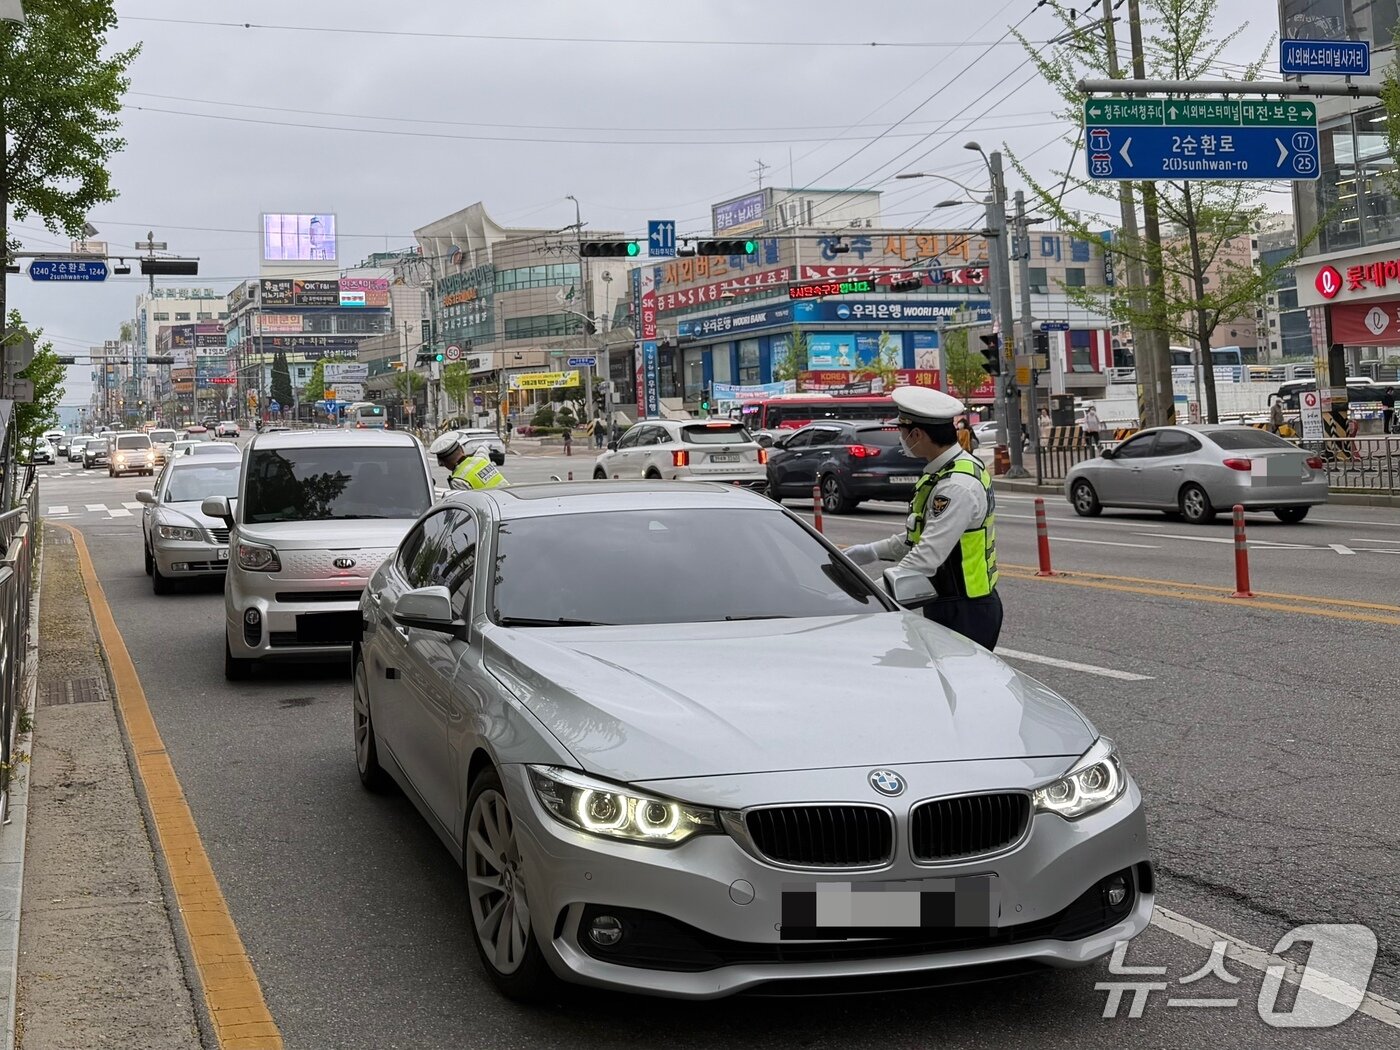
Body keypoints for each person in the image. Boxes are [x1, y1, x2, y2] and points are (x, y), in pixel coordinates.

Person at [843, 387, 1002, 651]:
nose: (900, 439)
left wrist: (873, 596)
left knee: (961, 688)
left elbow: (927, 557)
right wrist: (870, 552)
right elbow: (915, 540)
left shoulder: (955, 486)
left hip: (966, 609)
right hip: (948, 602)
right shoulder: (941, 473)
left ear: (916, 434)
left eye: (901, 433)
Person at [428, 435, 507, 490]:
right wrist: (485, 445)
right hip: (510, 502)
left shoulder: (458, 480)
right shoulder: (481, 459)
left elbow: (465, 505)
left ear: (442, 462)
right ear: (462, 449)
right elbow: (483, 450)